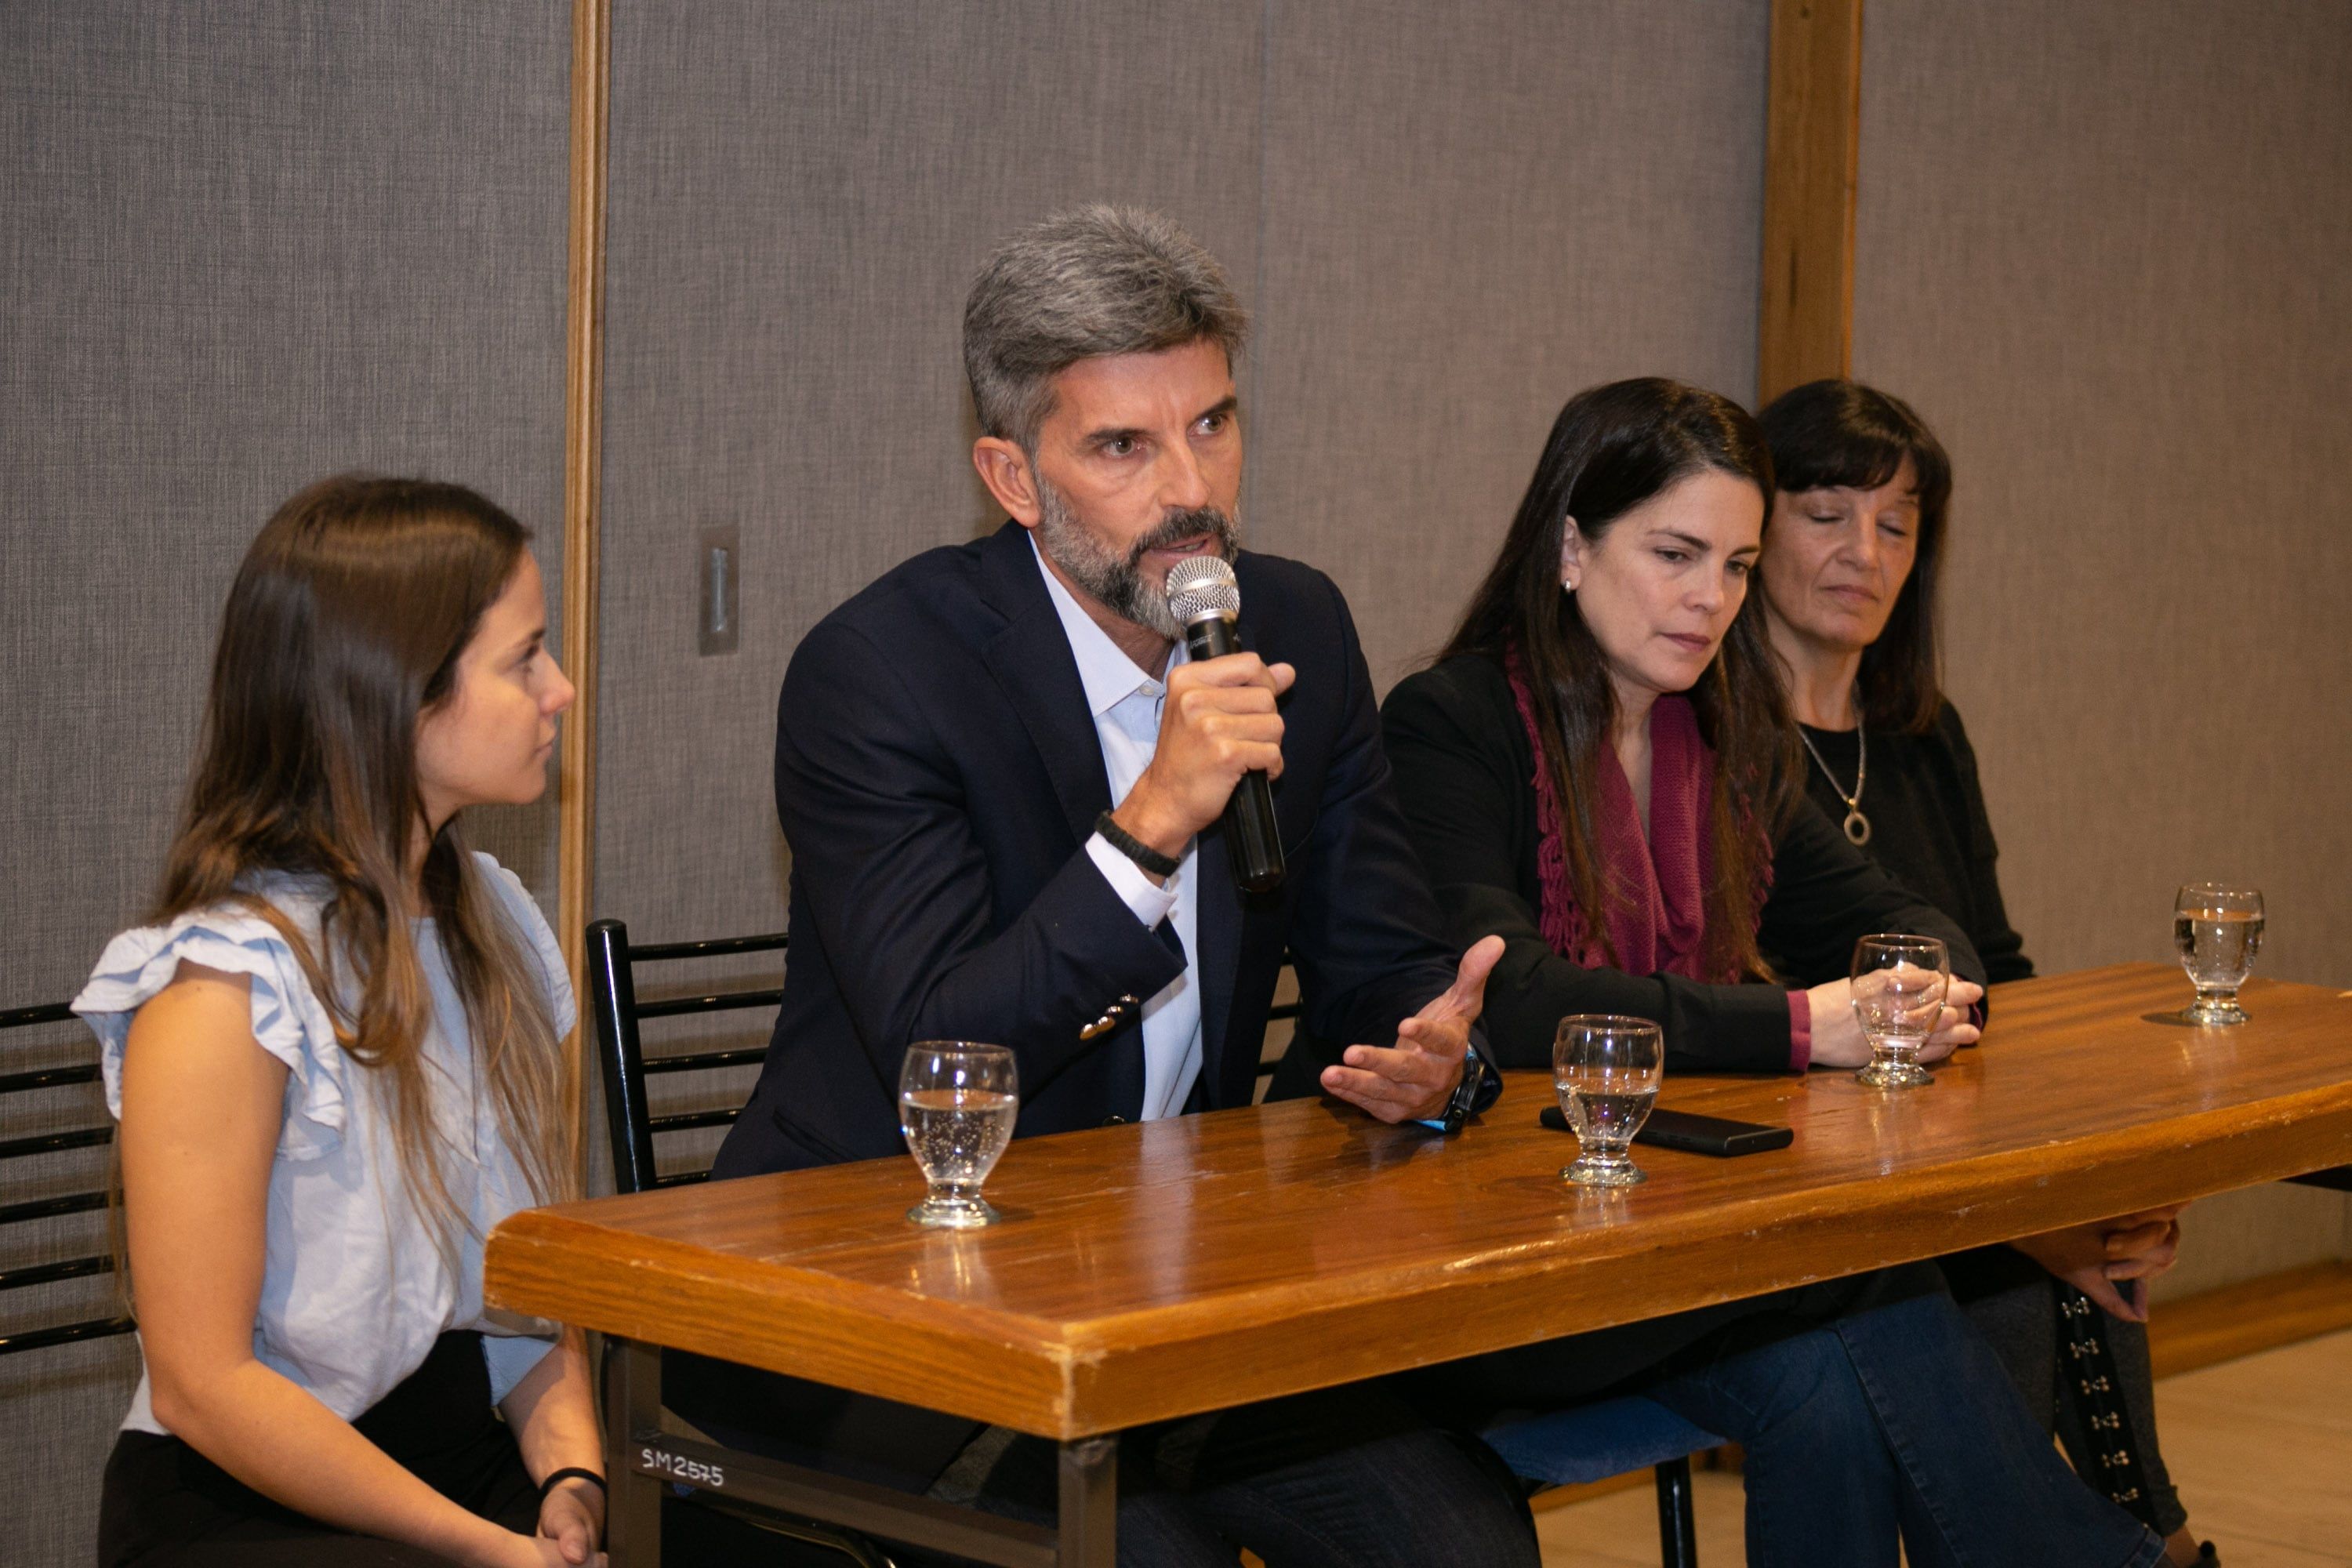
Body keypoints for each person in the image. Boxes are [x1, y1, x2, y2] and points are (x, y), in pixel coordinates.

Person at [669, 206, 1538, 1568]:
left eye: (1213, 425)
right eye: (1123, 447)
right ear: (1013, 478)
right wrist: (1148, 829)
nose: (1191, 488)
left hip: (1167, 1306)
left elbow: (1384, 966)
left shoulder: (1296, 628)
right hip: (895, 1307)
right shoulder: (881, 671)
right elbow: (943, 1054)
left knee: (1463, 1544)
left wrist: (1436, 1058)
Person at [1377, 377, 2165, 1567]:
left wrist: (1921, 989)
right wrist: (1808, 1026)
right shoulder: (1452, 720)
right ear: (1572, 548)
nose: (1712, 599)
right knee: (1872, 1286)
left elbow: (1906, 919)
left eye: (1738, 566)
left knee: (1836, 1373)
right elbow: (1519, 999)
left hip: (1675, 1228)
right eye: (1676, 554)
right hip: (1494, 1249)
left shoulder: (1724, 733)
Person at [76, 478, 606, 1567]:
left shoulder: (492, 919)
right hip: (247, 1502)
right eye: (523, 659)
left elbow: (522, 1296)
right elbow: (202, 1386)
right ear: (394, 695)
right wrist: (487, 1550)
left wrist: (574, 1478)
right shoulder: (228, 987)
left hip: (459, 1463)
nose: (560, 689)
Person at [1756, 377, 2209, 1567]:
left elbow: (2001, 966)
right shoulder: (1717, 744)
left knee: (2087, 1227)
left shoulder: (1923, 733)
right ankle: (2147, 1544)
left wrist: (2087, 1176)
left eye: (1897, 526)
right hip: (1816, 1152)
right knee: (2015, 1271)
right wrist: (2032, 1211)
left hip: (1949, 1132)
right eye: (1826, 514)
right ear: (1755, 527)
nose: (1864, 553)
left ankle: (2147, 1534)